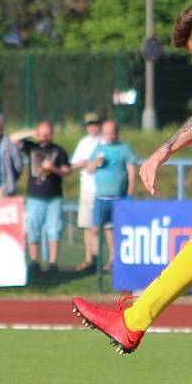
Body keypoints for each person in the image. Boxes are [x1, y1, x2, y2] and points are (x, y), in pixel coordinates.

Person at [11, 121, 71, 273]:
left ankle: (52, 263)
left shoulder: (59, 150)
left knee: (54, 230)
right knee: (33, 229)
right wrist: (32, 133)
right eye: (42, 133)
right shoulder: (32, 147)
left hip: (54, 197)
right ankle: (34, 261)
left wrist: (53, 169)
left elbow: (66, 171)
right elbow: (12, 138)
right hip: (35, 197)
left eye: (48, 133)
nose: (45, 136)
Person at [87, 120, 136, 271]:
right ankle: (95, 259)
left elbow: (131, 171)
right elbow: (89, 169)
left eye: (113, 133)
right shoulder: (99, 149)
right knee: (95, 229)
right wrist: (96, 162)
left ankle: (113, 260)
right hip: (100, 197)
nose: (110, 136)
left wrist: (129, 193)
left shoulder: (124, 149)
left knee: (112, 230)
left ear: (117, 133)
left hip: (118, 197)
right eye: (107, 133)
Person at [70, 112, 103, 270]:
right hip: (86, 189)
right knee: (87, 225)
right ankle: (89, 258)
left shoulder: (104, 141)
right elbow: (73, 164)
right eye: (90, 124)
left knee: (103, 227)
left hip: (102, 190)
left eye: (95, 124)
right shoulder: (83, 143)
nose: (92, 127)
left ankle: (105, 260)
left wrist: (93, 164)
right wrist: (84, 163)